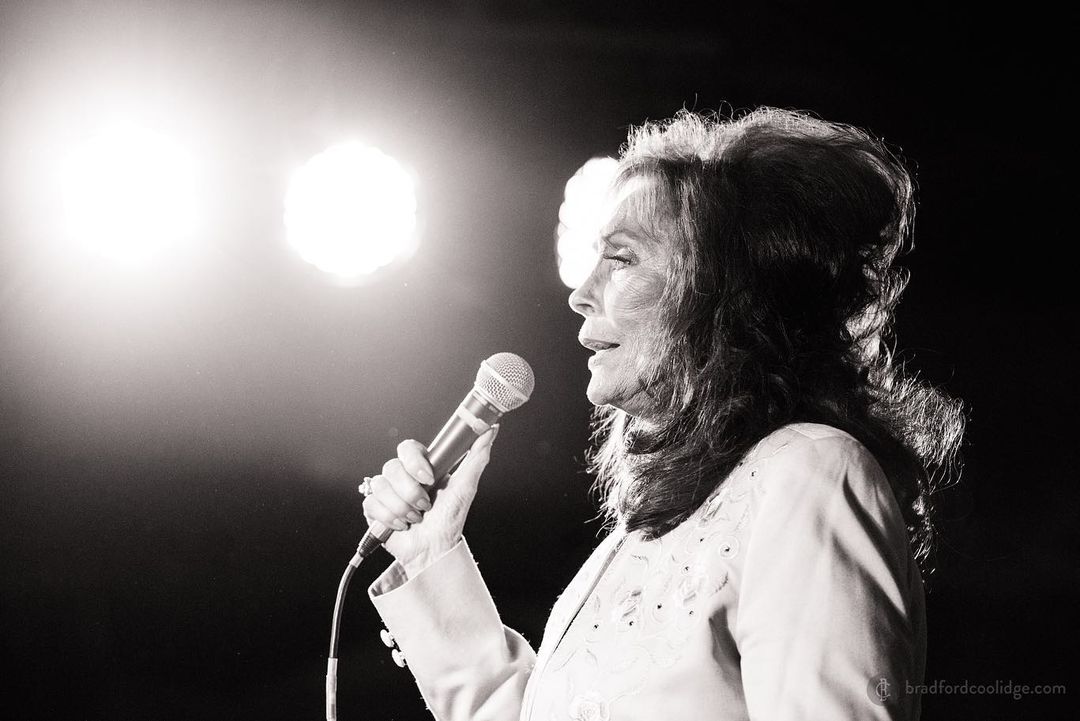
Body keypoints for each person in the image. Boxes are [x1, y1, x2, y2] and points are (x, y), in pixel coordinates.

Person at [360, 107, 965, 721]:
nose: (580, 293)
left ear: (723, 291)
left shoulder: (810, 471)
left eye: (621, 259)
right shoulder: (629, 545)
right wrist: (432, 555)